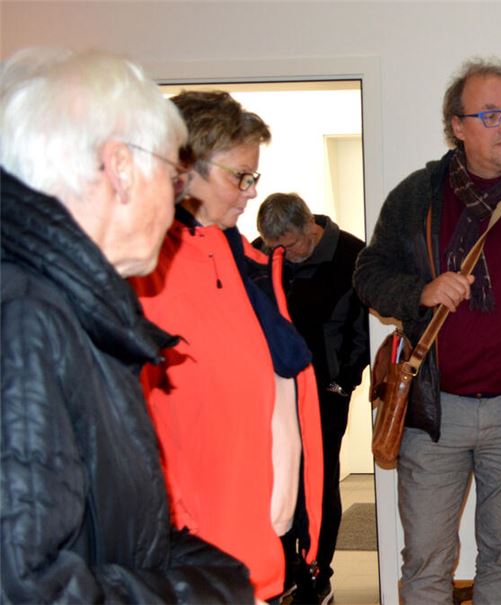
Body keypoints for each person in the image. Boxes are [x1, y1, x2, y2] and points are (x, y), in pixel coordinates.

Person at [0, 48, 253, 603]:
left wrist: (231, 583)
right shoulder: (24, 322)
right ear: (119, 169)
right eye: (171, 174)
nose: (175, 198)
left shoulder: (76, 309)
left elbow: (129, 539)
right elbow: (27, 585)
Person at [353, 58, 501, 604]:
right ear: (457, 126)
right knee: (425, 562)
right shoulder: (417, 197)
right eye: (490, 114)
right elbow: (368, 274)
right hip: (433, 414)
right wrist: (419, 292)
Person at [129, 91, 324, 602]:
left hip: (244, 540)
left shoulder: (230, 254)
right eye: (240, 176)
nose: (250, 193)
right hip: (189, 550)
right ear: (185, 168)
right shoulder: (141, 265)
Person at [255, 192, 371, 604]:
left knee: (318, 483)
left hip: (325, 392)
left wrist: (344, 381)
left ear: (309, 227)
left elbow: (362, 332)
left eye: (288, 244)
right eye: (274, 247)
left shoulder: (352, 256)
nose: (282, 254)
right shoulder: (261, 255)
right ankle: (283, 569)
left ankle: (318, 571)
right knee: (277, 481)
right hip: (271, 393)